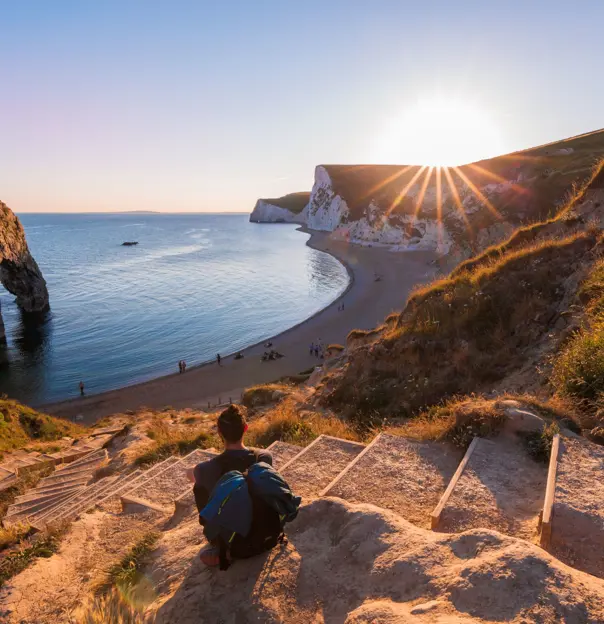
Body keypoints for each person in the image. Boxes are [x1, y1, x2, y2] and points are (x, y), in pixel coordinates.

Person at [187, 404, 273, 566]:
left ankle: (222, 545)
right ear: (246, 428)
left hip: (236, 539)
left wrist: (196, 470)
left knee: (199, 487)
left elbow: (190, 474)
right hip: (265, 531)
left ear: (219, 433)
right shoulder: (264, 457)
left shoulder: (206, 469)